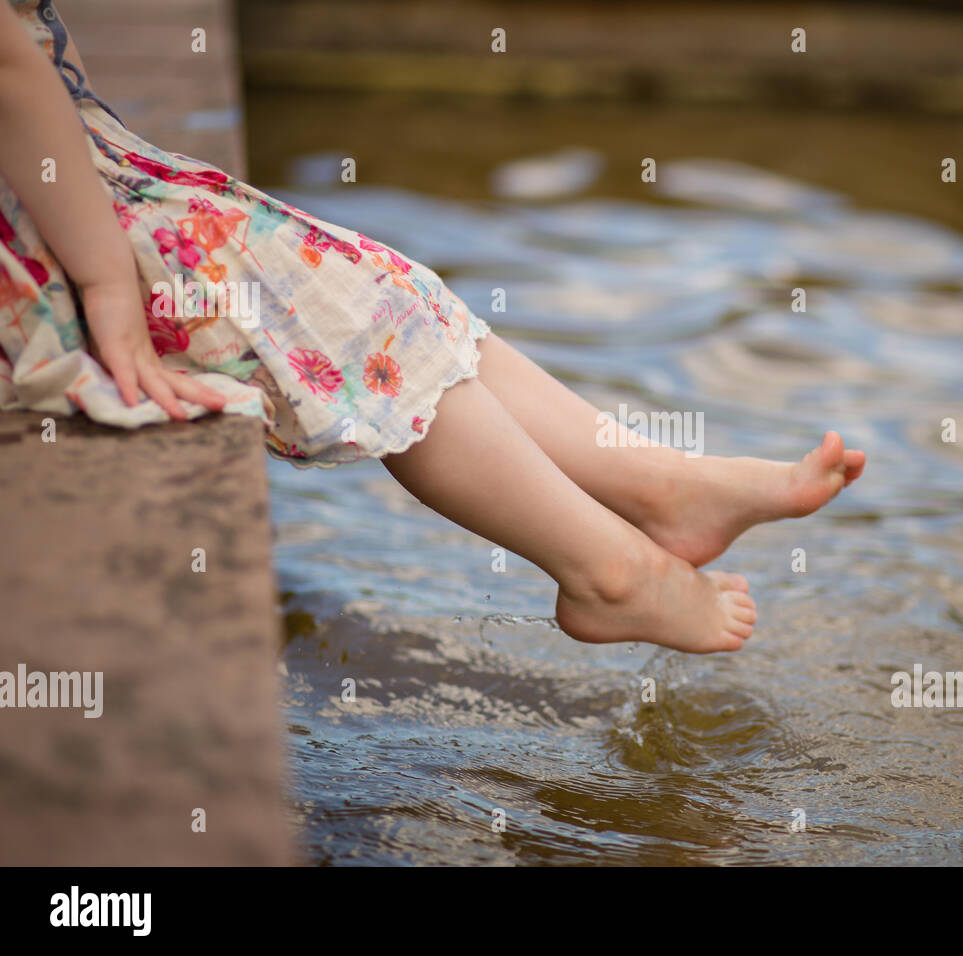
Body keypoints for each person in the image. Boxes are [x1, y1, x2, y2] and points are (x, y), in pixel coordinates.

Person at [0, 0, 865, 652]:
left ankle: (655, 488)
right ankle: (611, 569)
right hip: (37, 210)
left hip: (63, 167)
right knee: (343, 316)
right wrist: (109, 282)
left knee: (377, 287)